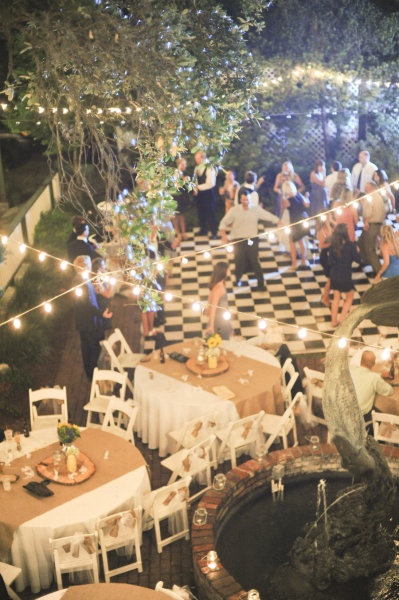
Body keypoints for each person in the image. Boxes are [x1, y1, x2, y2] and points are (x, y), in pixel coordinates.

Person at [219, 188, 281, 291]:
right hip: (238, 239)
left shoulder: (255, 209)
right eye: (243, 200)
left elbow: (267, 215)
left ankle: (260, 284)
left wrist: (278, 221)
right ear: (240, 199)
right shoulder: (234, 210)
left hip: (252, 239)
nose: (245, 202)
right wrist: (223, 235)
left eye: (247, 199)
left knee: (254, 260)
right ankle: (237, 279)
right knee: (238, 260)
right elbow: (223, 223)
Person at [73, 255, 113, 379]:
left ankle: (92, 374)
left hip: (86, 322)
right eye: (89, 264)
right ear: (85, 266)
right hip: (88, 324)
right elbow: (87, 305)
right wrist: (101, 314)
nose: (90, 266)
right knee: (92, 349)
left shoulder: (82, 279)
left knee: (89, 348)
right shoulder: (81, 283)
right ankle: (93, 376)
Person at [328, 223, 361, 328]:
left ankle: (333, 321)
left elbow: (329, 262)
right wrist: (358, 251)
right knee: (350, 296)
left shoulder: (332, 245)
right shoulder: (351, 245)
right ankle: (342, 320)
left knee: (336, 297)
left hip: (334, 274)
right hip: (345, 274)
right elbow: (358, 260)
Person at [349, 350, 393, 425]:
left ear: (361, 360)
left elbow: (363, 375)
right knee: (380, 417)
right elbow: (389, 391)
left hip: (343, 410)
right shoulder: (374, 378)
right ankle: (370, 434)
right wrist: (379, 377)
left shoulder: (350, 369)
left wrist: (379, 375)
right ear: (374, 364)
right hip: (361, 416)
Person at [358, 180, 387, 275]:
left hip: (371, 225)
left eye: (367, 188)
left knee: (370, 248)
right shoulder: (379, 196)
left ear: (372, 188)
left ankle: (378, 270)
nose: (365, 190)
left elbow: (368, 213)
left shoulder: (370, 197)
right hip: (379, 224)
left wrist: (365, 223)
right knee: (361, 241)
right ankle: (367, 261)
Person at [281, 181, 309, 270]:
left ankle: (294, 263)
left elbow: (281, 211)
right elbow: (307, 204)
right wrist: (307, 197)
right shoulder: (299, 195)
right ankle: (304, 260)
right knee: (301, 242)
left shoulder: (286, 201)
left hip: (294, 223)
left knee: (292, 243)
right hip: (301, 221)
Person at [193, 150, 217, 238]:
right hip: (200, 195)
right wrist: (194, 188)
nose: (196, 160)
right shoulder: (197, 168)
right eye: (195, 159)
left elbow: (211, 183)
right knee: (201, 212)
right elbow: (195, 179)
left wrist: (198, 187)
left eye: (197, 158)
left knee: (210, 213)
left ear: (203, 157)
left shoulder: (209, 167)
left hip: (208, 194)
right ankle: (203, 230)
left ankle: (214, 232)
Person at [205, 261, 232, 340]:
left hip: (223, 318)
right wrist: (211, 326)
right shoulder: (218, 288)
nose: (229, 271)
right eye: (228, 269)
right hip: (219, 320)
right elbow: (214, 307)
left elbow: (210, 296)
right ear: (224, 271)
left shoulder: (221, 283)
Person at [316, 217, 334, 307]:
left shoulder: (329, 228)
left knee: (331, 278)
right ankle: (325, 298)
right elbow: (321, 246)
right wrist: (332, 243)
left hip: (329, 256)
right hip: (325, 257)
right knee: (331, 278)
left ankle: (326, 297)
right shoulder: (322, 231)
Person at [92, 256, 113, 330]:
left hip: (103, 304)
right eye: (104, 265)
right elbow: (107, 294)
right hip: (101, 305)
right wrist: (111, 284)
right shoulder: (96, 280)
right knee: (104, 327)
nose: (105, 267)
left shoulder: (101, 277)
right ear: (100, 267)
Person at [173, 157, 190, 241]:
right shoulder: (176, 172)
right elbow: (175, 184)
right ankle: (178, 233)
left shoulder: (182, 172)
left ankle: (183, 233)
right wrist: (183, 180)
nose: (185, 165)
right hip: (176, 196)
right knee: (176, 216)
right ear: (179, 164)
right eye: (183, 164)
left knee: (181, 215)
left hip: (181, 196)